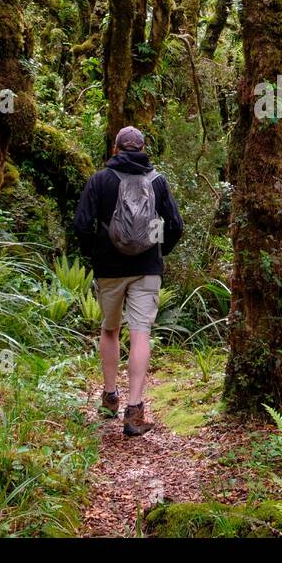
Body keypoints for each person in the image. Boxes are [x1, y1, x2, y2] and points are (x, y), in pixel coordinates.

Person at [73, 126, 183, 436]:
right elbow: (174, 225)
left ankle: (109, 396)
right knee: (140, 334)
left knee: (109, 330)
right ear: (144, 149)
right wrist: (158, 248)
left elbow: (81, 224)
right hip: (147, 267)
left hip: (108, 269)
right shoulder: (157, 181)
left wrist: (95, 252)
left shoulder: (99, 180)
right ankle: (134, 411)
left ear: (116, 149)